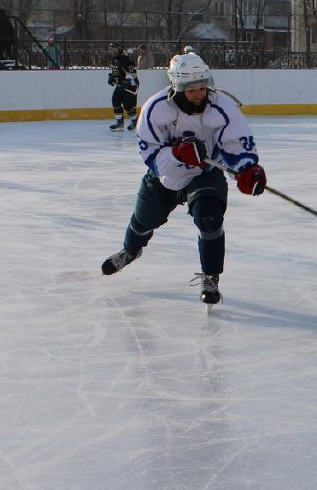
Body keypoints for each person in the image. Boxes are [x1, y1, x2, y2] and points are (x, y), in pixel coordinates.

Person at [100, 50, 267, 305]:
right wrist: (178, 155)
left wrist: (247, 168)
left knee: (209, 218)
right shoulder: (155, 108)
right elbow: (151, 156)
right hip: (165, 177)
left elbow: (236, 142)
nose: (198, 94)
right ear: (177, 87)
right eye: (191, 90)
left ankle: (210, 277)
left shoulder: (221, 106)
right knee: (144, 220)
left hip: (205, 174)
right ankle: (130, 251)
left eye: (202, 87)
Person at [106, 41, 140, 131]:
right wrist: (111, 77)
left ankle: (134, 121)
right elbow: (115, 73)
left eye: (115, 49)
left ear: (119, 50)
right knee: (115, 100)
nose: (113, 51)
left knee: (127, 104)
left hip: (131, 84)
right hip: (121, 84)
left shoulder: (125, 59)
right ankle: (119, 123)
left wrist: (127, 81)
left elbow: (133, 73)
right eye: (111, 50)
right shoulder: (114, 60)